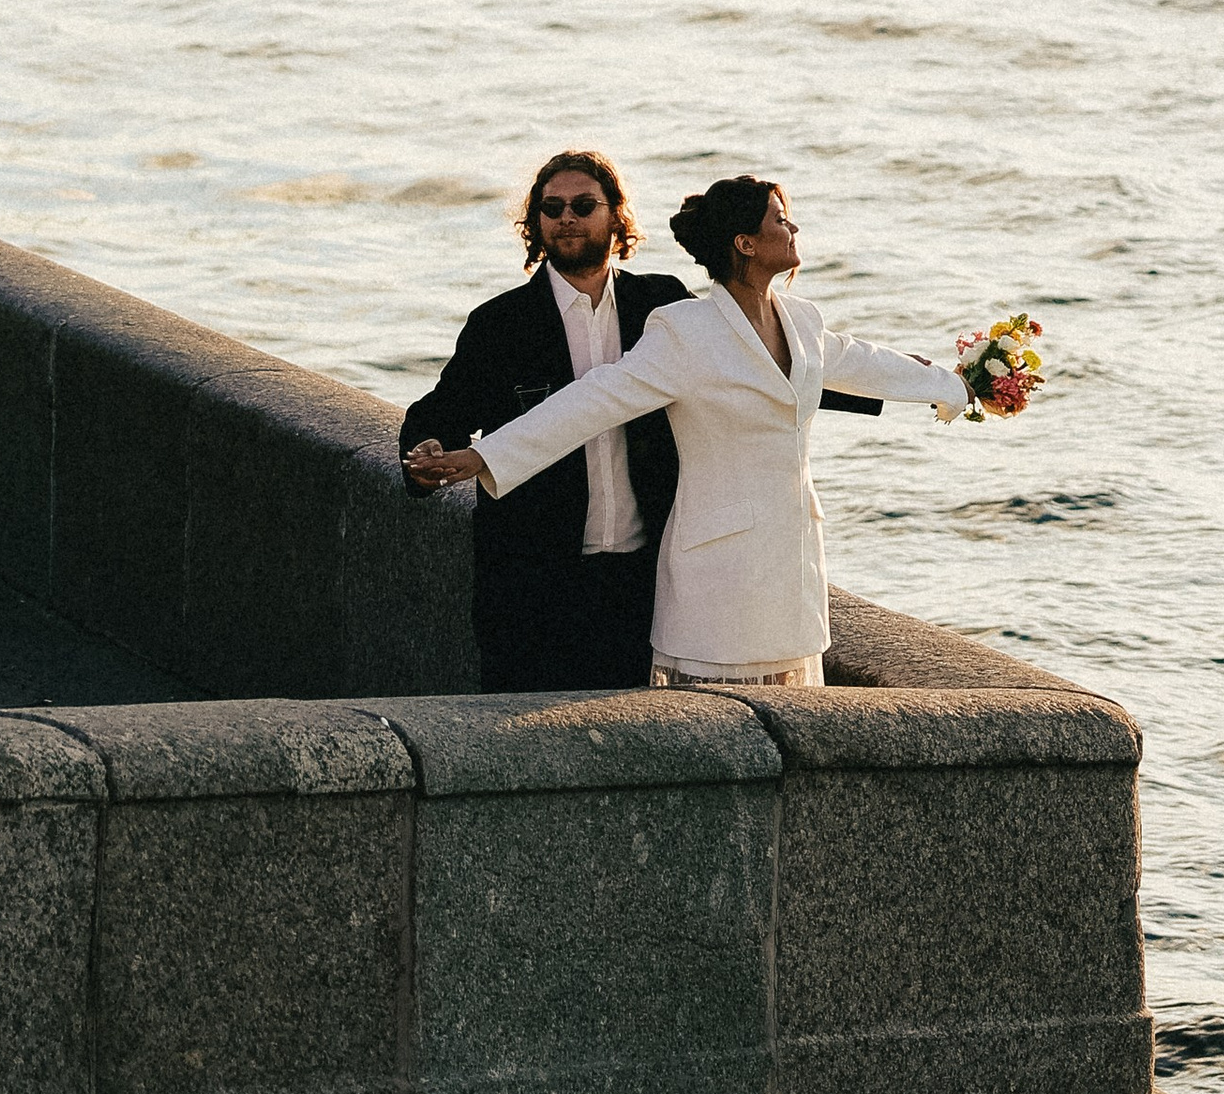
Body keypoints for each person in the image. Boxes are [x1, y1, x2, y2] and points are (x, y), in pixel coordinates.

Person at [402, 173, 963, 691]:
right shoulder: (673, 326)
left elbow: (846, 362)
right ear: (744, 242)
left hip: (783, 570)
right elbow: (591, 401)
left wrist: (955, 384)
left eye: (583, 205)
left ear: (615, 215)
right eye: (780, 219)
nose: (792, 228)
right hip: (636, 575)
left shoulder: (792, 319)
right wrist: (484, 457)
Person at [398, 148, 691, 693]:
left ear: (616, 215)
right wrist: (426, 453)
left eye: (584, 204)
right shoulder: (501, 324)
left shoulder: (664, 307)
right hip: (532, 582)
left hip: (645, 580)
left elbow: (741, 369)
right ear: (535, 222)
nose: (567, 218)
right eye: (551, 207)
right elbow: (442, 411)